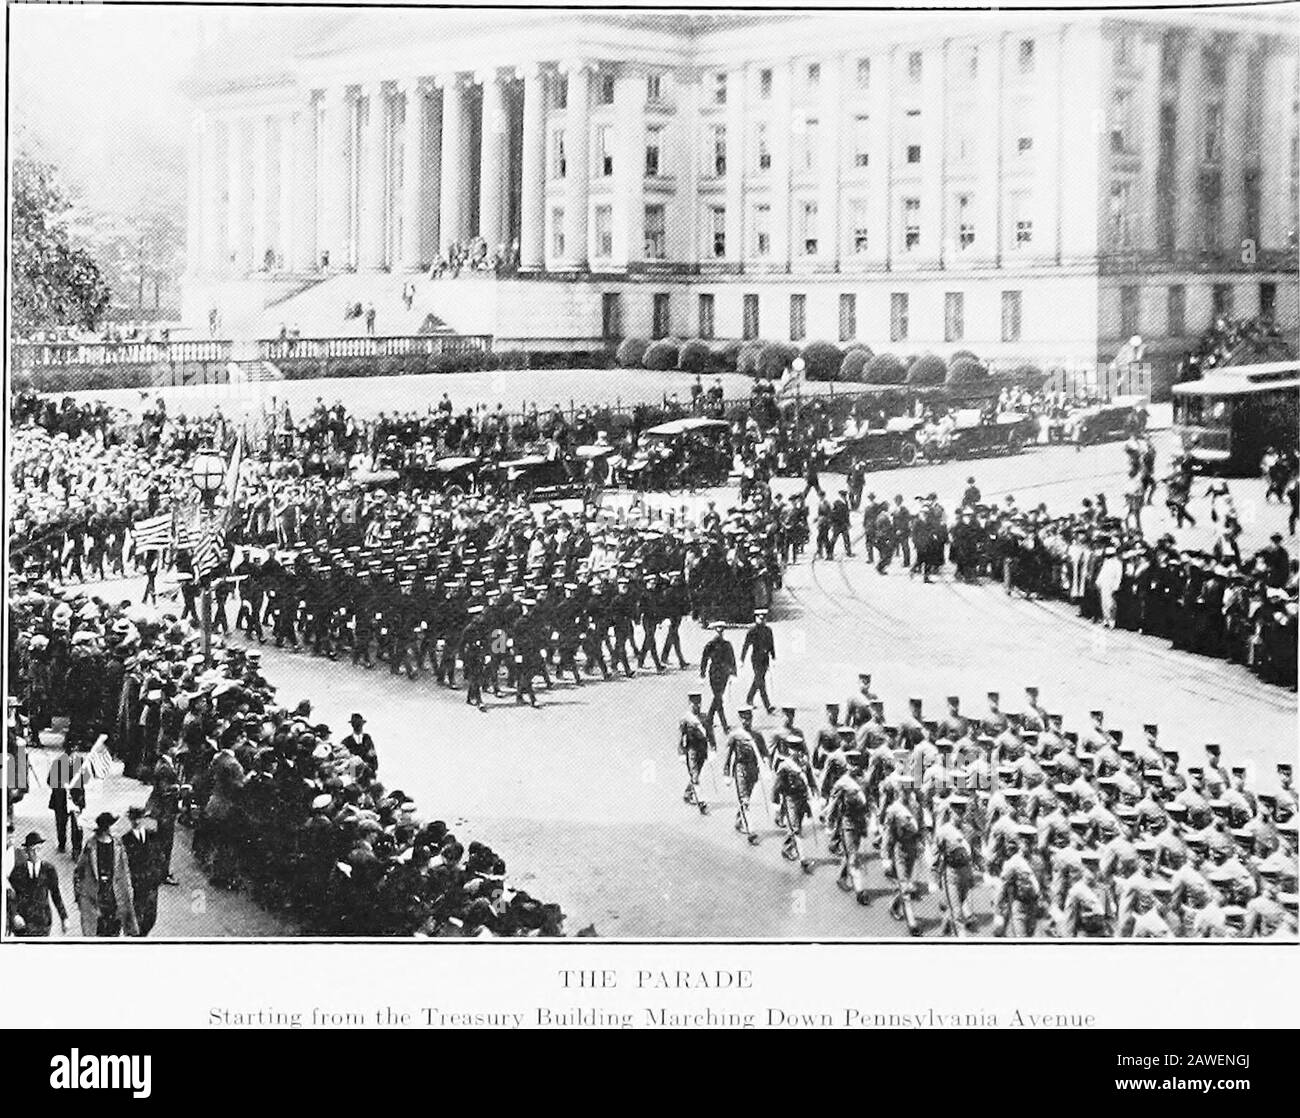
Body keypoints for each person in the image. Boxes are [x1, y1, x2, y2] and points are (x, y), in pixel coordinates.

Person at [74, 812, 138, 937]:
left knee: (114, 929)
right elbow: (78, 872)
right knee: (95, 932)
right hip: (95, 895)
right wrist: (80, 896)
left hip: (114, 894)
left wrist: (129, 892)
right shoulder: (90, 846)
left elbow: (125, 871)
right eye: (112, 826)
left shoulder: (118, 845)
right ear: (106, 828)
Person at [8, 832, 68, 937]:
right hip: (23, 921)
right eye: (32, 850)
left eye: (38, 849)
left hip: (43, 920)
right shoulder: (18, 871)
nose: (36, 853)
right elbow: (11, 896)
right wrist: (14, 915)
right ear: (26, 851)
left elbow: (56, 894)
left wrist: (64, 917)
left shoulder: (49, 869)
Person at [121, 806, 163, 936]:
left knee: (151, 916)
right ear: (130, 820)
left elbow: (159, 855)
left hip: (152, 881)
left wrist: (158, 874)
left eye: (139, 818)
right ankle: (137, 938)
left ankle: (143, 934)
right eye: (134, 819)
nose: (137, 822)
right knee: (138, 912)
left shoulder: (152, 835)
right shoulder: (126, 840)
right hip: (137, 882)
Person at [699, 622, 736, 736]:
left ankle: (709, 719)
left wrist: (733, 672)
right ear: (714, 630)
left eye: (721, 629)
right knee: (718, 698)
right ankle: (724, 725)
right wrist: (702, 673)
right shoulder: (710, 645)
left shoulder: (727, 645)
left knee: (718, 698)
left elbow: (732, 659)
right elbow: (704, 659)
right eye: (717, 629)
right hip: (714, 673)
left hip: (724, 673)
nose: (719, 631)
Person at [740, 608, 777, 714]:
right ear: (756, 618)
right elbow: (746, 646)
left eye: (763, 618)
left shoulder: (768, 630)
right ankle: (767, 705)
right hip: (756, 659)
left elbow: (771, 644)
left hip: (765, 659)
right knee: (761, 681)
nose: (762, 620)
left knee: (758, 680)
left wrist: (773, 657)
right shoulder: (752, 631)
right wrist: (741, 659)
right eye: (759, 618)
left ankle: (749, 698)